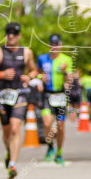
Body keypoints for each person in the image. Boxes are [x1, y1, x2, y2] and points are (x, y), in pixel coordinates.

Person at [0, 22, 38, 179]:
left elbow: (33, 70)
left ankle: (13, 164)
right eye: (8, 33)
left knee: (15, 129)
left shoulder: (26, 52)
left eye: (14, 33)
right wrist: (0, 75)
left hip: (20, 93)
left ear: (19, 35)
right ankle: (10, 153)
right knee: (7, 133)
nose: (11, 36)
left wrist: (29, 76)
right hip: (3, 95)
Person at [37, 34, 73, 164]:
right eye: (52, 44)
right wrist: (40, 78)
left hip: (61, 95)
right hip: (47, 94)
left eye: (57, 44)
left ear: (61, 45)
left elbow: (70, 78)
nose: (54, 46)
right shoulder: (42, 58)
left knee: (61, 126)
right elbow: (37, 72)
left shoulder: (66, 60)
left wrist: (64, 73)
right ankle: (50, 146)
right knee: (47, 123)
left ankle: (59, 152)